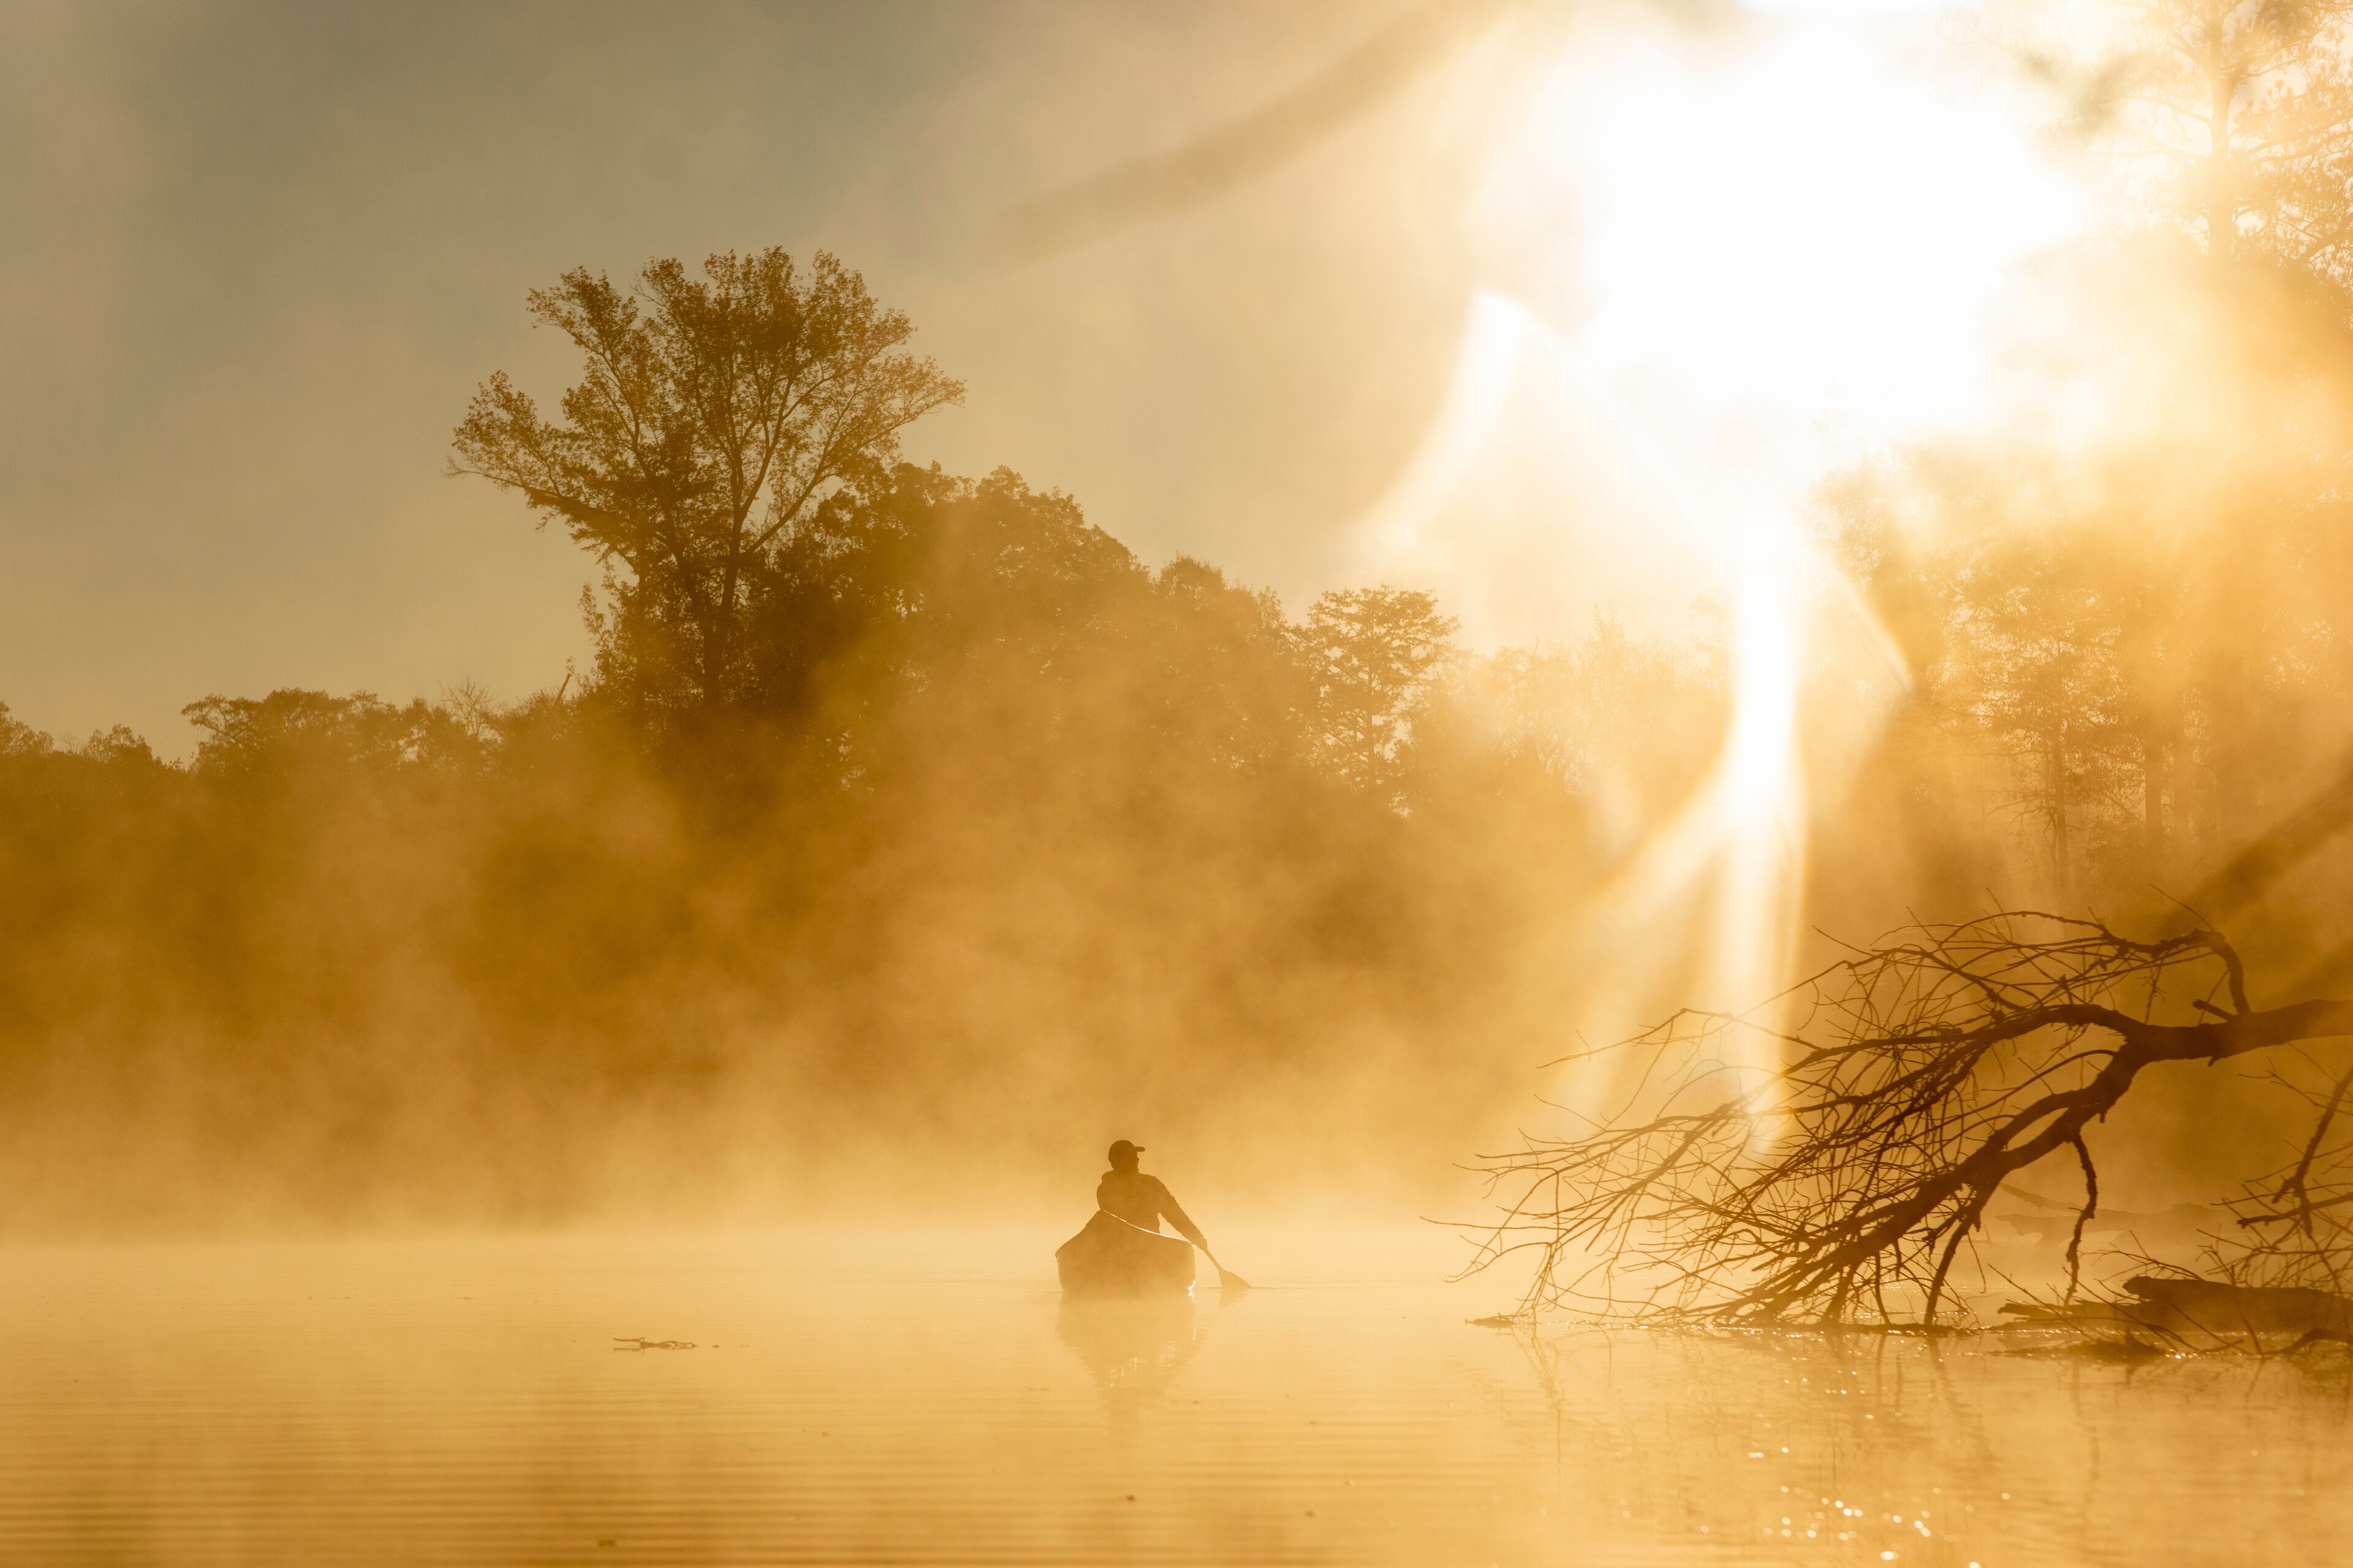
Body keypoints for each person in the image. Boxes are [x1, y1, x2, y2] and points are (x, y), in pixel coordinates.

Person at [1097, 1139, 1208, 1252]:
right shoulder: (1148, 1185)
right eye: (1132, 1156)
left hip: (1131, 1254)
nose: (1137, 1159)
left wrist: (1196, 1236)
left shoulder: (1105, 1189)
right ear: (1120, 1161)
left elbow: (1175, 1214)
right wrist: (1196, 1237)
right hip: (1142, 1253)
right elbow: (1175, 1215)